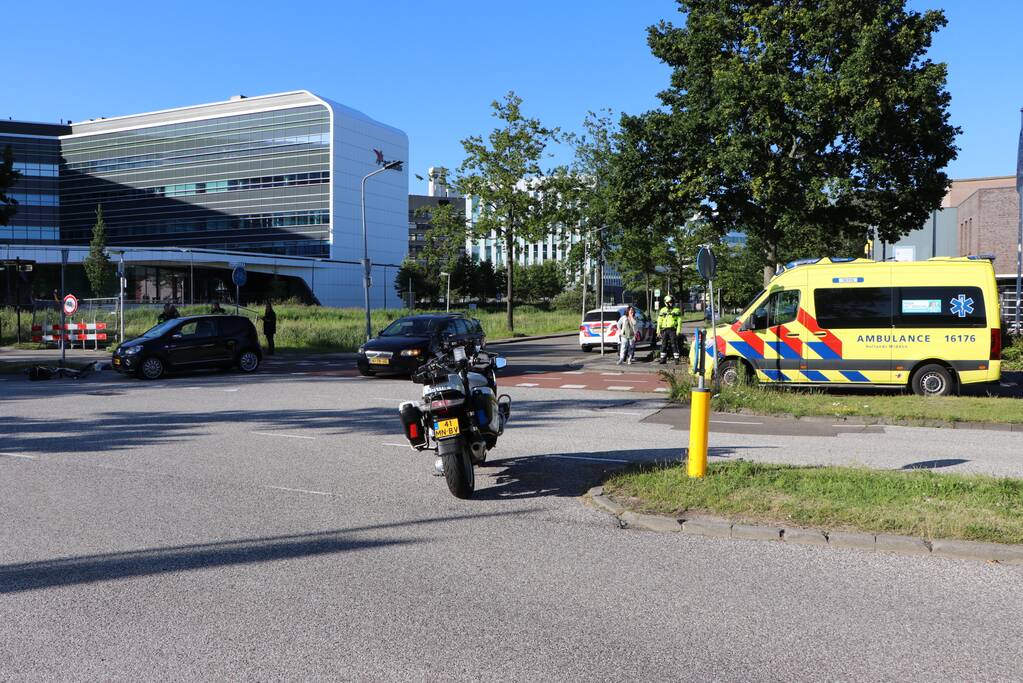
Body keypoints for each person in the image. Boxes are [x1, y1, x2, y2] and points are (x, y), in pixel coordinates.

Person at [657, 295, 685, 364]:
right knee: (664, 345)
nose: (671, 303)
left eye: (672, 302)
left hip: (672, 330)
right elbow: (659, 321)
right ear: (666, 302)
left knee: (674, 344)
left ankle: (676, 360)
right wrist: (658, 331)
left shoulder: (676, 310)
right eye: (669, 302)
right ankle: (663, 359)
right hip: (664, 330)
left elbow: (679, 322)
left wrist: (678, 331)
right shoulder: (662, 310)